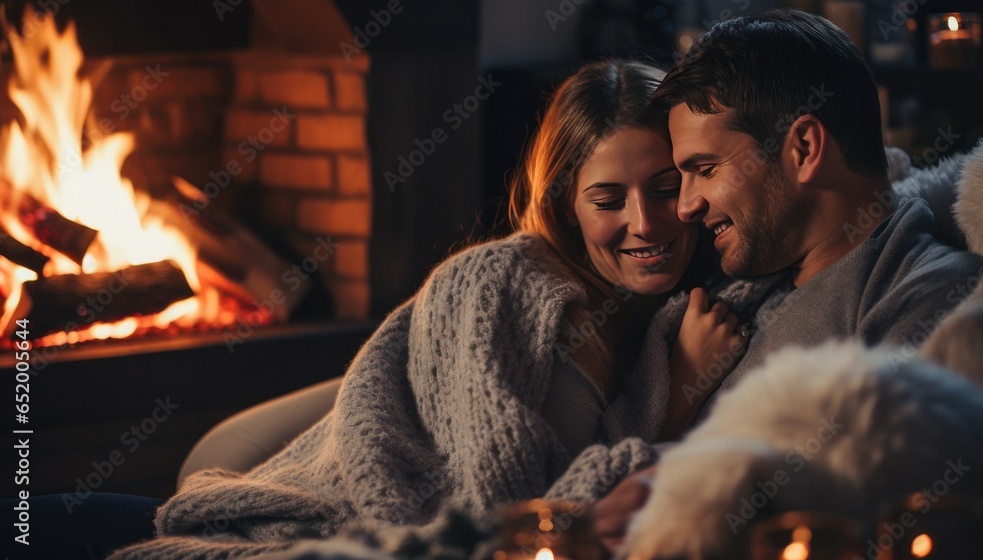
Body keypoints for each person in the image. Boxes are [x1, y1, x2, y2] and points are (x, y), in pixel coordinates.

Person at [98, 59, 764, 560]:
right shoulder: (501, 282)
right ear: (565, 204)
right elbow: (506, 517)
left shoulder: (678, 311)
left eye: (667, 187)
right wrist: (674, 394)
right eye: (608, 198)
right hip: (314, 519)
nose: (645, 223)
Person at [592, 9, 983, 553]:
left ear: (802, 148)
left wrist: (702, 488)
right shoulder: (738, 288)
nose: (685, 206)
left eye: (704, 169)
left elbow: (905, 483)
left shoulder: (935, 298)